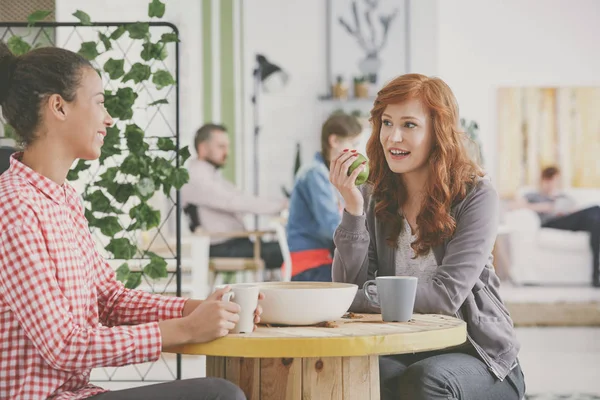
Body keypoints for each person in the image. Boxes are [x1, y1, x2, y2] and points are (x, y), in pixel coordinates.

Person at [0, 42, 258, 399]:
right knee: (219, 396)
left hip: (81, 393)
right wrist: (184, 329)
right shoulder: (13, 207)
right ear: (58, 106)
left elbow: (109, 300)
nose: (108, 118)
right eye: (100, 102)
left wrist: (196, 309)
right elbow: (63, 344)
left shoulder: (63, 199)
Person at [329, 73, 526, 399]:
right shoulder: (374, 194)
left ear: (438, 131)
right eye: (386, 123)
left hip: (478, 356)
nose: (393, 137)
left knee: (427, 380)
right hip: (406, 347)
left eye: (409, 125)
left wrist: (358, 298)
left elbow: (445, 296)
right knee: (353, 371)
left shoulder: (474, 196)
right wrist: (352, 209)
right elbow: (348, 286)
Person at [181, 124, 287, 276]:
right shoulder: (197, 178)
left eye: (227, 147)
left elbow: (240, 198)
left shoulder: (209, 175)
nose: (227, 152)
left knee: (290, 247)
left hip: (235, 243)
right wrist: (283, 204)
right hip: (222, 247)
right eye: (221, 146)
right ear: (203, 148)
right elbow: (236, 202)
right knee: (291, 250)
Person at [287, 112, 362, 281]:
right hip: (311, 265)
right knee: (362, 282)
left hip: (324, 260)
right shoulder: (315, 174)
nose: (356, 151)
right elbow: (331, 227)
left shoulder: (328, 175)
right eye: (353, 143)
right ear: (334, 141)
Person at [516, 166, 600, 287]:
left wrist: (567, 210)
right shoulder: (533, 195)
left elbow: (576, 211)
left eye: (554, 181)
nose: (551, 184)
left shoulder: (563, 197)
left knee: (596, 222)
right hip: (552, 222)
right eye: (548, 180)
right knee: (596, 210)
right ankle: (596, 276)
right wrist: (547, 206)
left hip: (569, 219)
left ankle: (596, 275)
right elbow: (515, 206)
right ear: (543, 180)